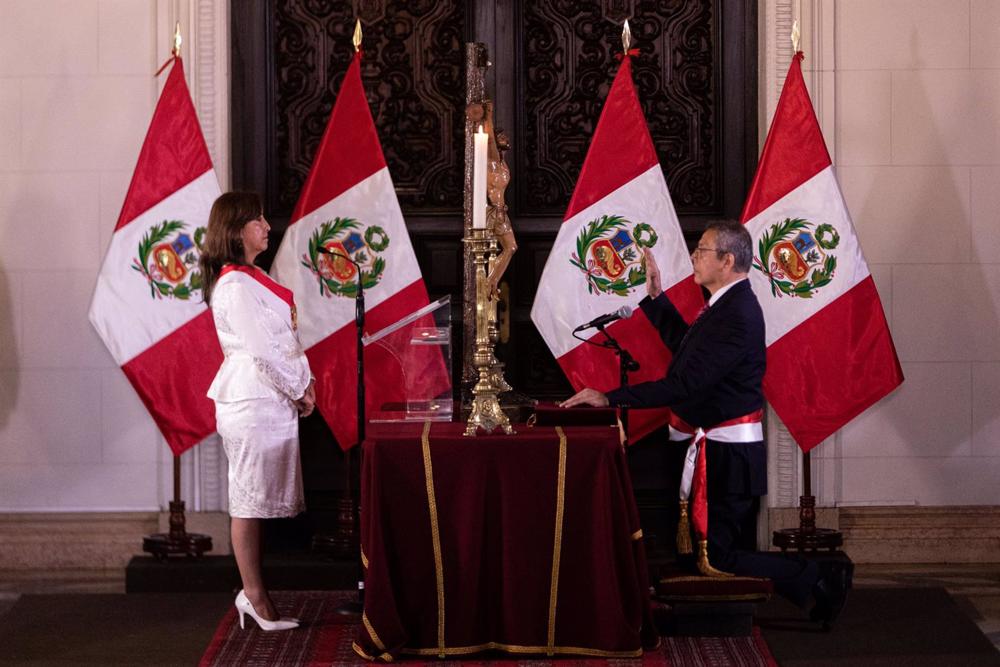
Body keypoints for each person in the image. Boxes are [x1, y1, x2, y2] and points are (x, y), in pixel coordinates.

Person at [560, 220, 848, 628]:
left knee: (720, 556)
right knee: (702, 552)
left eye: (702, 250)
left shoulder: (737, 311)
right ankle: (710, 608)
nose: (694, 257)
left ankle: (819, 574)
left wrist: (610, 397)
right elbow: (687, 352)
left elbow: (685, 383)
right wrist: (656, 298)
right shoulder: (723, 304)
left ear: (727, 260)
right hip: (714, 449)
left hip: (729, 453)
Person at [200, 192, 316, 632]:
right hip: (251, 399)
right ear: (235, 231)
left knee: (253, 501)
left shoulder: (252, 278)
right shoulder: (233, 286)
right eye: (257, 220)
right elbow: (262, 351)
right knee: (246, 502)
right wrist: (301, 387)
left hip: (270, 398)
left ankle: (256, 594)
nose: (267, 226)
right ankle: (254, 597)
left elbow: (284, 340)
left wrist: (303, 383)